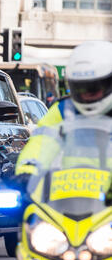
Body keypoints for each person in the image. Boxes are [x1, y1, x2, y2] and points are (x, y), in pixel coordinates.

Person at [13, 40, 112, 188]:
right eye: (80, 89)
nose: (86, 96)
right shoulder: (63, 110)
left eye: (93, 89)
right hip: (67, 195)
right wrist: (27, 172)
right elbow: (41, 143)